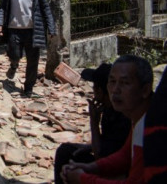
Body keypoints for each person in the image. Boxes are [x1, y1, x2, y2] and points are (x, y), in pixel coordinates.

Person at [61, 54, 154, 183]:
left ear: (145, 90)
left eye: (125, 83)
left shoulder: (154, 127)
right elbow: (125, 155)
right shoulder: (137, 118)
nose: (115, 90)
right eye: (112, 82)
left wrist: (82, 178)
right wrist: (90, 168)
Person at [53, 63, 131, 184]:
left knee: (65, 156)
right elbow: (106, 144)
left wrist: (94, 122)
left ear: (100, 91)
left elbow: (101, 156)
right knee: (67, 150)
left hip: (119, 171)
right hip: (110, 159)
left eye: (94, 87)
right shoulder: (107, 108)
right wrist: (87, 147)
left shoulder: (123, 117)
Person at [0, 0, 56, 97]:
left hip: (33, 30)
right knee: (14, 54)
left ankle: (28, 89)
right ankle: (14, 65)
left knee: (33, 61)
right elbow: (3, 7)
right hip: (13, 28)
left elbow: (45, 8)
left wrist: (51, 28)